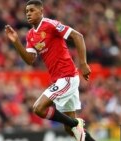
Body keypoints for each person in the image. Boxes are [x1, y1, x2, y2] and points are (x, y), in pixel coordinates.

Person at [5, 0, 96, 141]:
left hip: (67, 77)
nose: (28, 14)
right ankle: (78, 128)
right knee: (71, 130)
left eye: (32, 10)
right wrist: (16, 41)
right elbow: (30, 60)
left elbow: (78, 36)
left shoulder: (50, 24)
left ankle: (75, 123)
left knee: (38, 108)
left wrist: (83, 64)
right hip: (59, 79)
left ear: (41, 11)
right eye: (26, 11)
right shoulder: (30, 35)